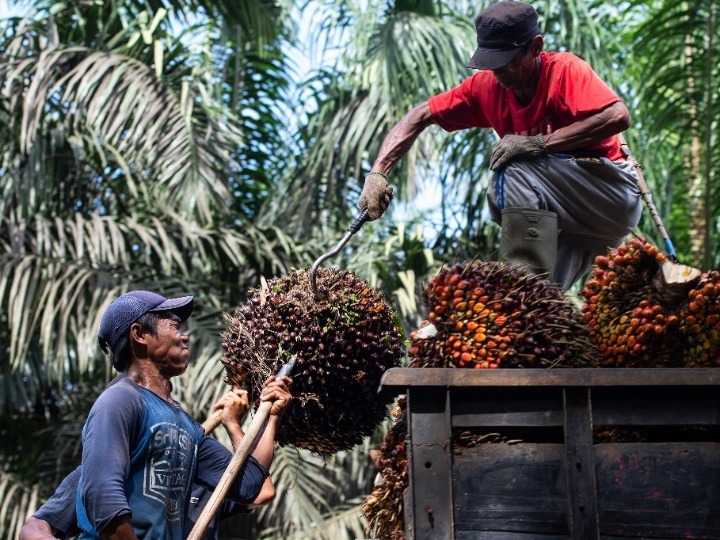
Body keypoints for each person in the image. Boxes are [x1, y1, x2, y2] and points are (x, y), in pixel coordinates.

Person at [358, 0, 642, 291]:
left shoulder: (565, 71)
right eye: (491, 63)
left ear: (535, 46)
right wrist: (378, 173)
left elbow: (618, 116)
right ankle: (524, 298)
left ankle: (519, 278)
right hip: (580, 224)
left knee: (513, 169)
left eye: (507, 60)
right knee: (534, 306)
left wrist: (539, 143)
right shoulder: (486, 89)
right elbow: (421, 115)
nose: (499, 71)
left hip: (610, 193)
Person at [76, 290, 292, 539]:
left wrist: (270, 416)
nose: (184, 336)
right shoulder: (120, 401)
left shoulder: (186, 426)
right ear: (139, 335)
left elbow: (250, 482)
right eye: (174, 326)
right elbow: (103, 497)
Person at [19, 387, 275, 540]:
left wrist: (243, 423)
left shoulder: (205, 482)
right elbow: (34, 528)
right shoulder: (102, 472)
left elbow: (260, 489)